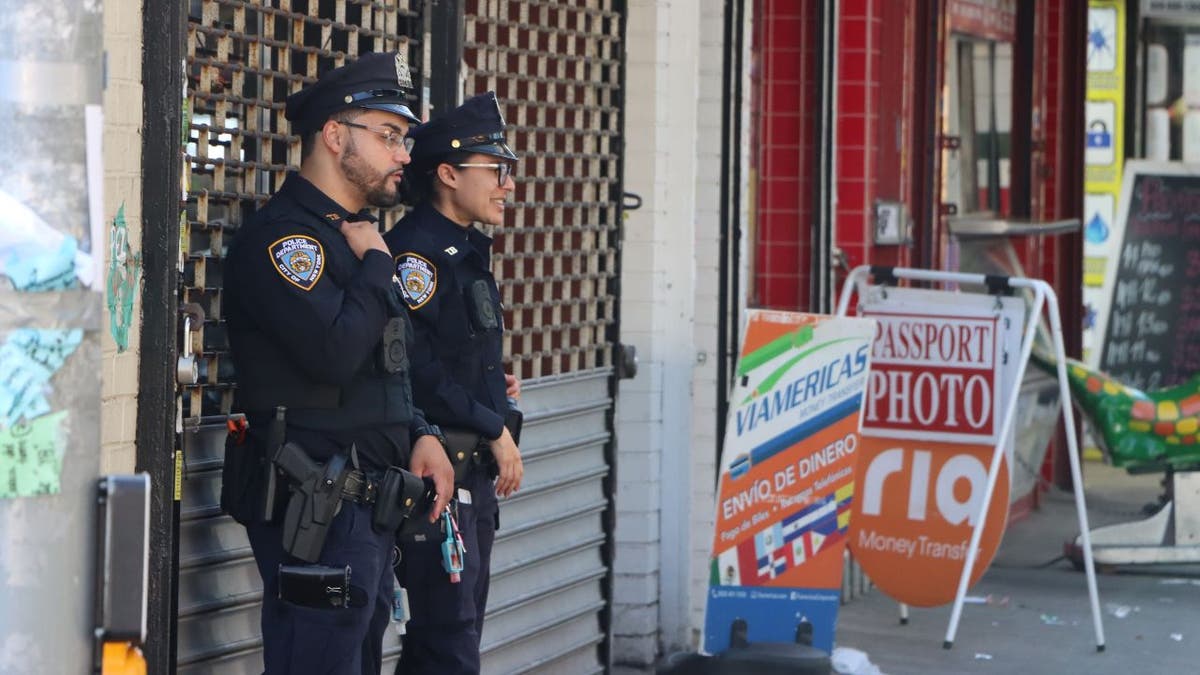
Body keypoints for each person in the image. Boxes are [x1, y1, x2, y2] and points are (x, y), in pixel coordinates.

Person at [220, 51, 455, 675]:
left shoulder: (354, 238)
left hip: (368, 509)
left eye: (403, 139)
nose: (405, 154)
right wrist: (378, 267)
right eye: (389, 136)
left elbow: (386, 364)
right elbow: (333, 354)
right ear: (333, 136)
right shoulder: (287, 242)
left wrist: (421, 435)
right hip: (317, 510)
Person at [384, 91, 524, 674]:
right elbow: (413, 367)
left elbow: (456, 353)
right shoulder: (416, 256)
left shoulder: (464, 252)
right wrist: (491, 424)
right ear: (447, 174)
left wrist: (495, 389)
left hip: (473, 483)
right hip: (439, 478)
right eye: (495, 170)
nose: (506, 185)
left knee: (444, 643)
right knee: (450, 646)